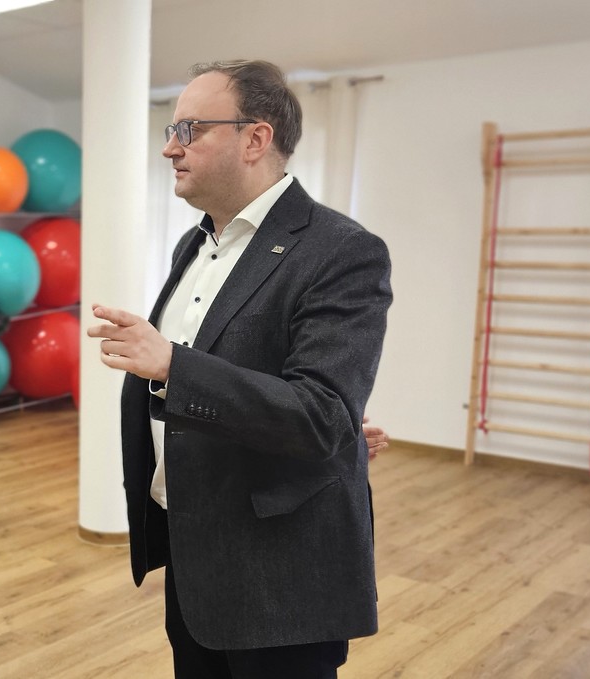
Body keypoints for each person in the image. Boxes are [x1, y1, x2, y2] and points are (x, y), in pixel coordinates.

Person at [89, 59, 392, 678]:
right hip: (194, 550)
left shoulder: (342, 249)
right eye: (170, 130)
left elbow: (322, 415)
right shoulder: (195, 243)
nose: (170, 149)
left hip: (278, 571)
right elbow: (283, 390)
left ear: (256, 139)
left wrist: (172, 364)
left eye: (190, 129)